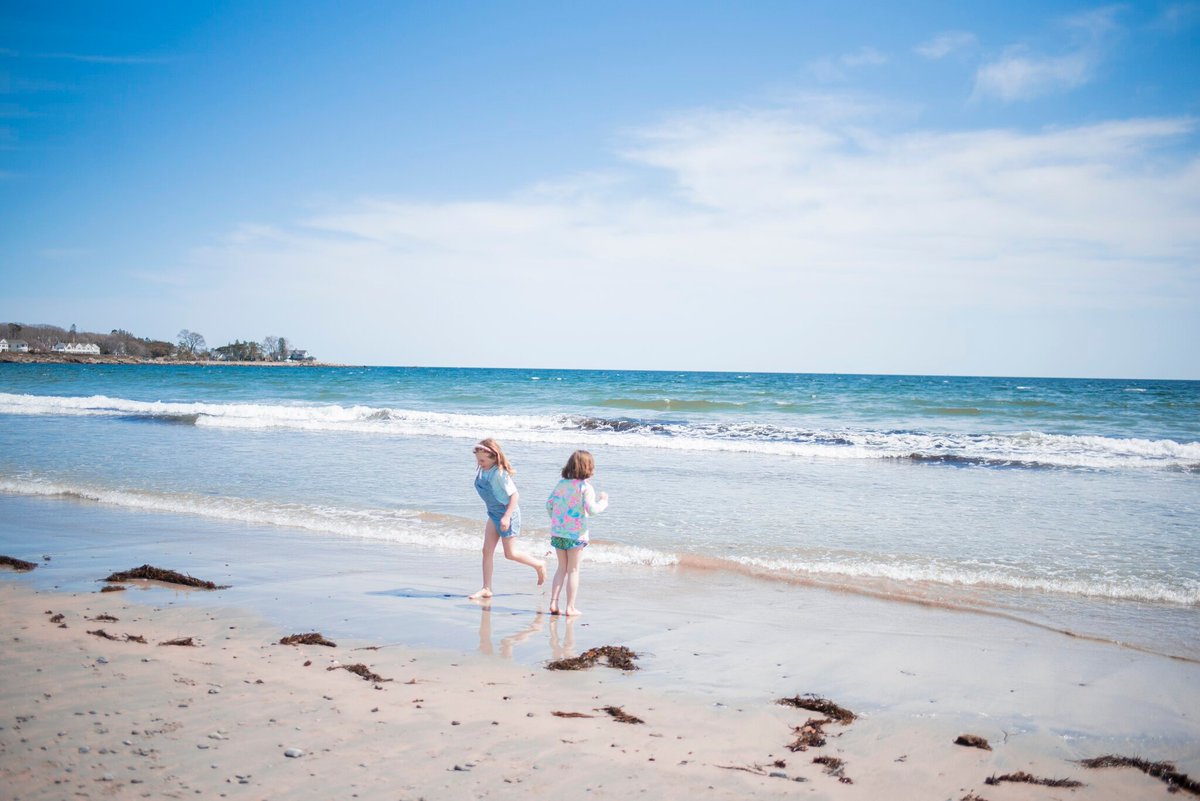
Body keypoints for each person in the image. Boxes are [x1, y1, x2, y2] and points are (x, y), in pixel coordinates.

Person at [467, 438, 546, 600]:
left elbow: (515, 495)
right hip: (493, 514)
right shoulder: (482, 470)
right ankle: (486, 588)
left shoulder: (499, 474)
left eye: (482, 460)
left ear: (494, 457)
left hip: (508, 514)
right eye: (478, 460)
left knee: (510, 554)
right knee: (486, 551)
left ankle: (539, 564)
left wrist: (507, 517)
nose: (479, 463)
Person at [545, 450, 609, 616]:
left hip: (558, 533)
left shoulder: (561, 484)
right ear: (588, 468)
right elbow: (592, 510)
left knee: (561, 568)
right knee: (573, 570)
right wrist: (604, 501)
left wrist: (557, 521)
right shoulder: (585, 488)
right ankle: (570, 607)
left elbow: (549, 505)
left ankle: (553, 603)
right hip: (576, 535)